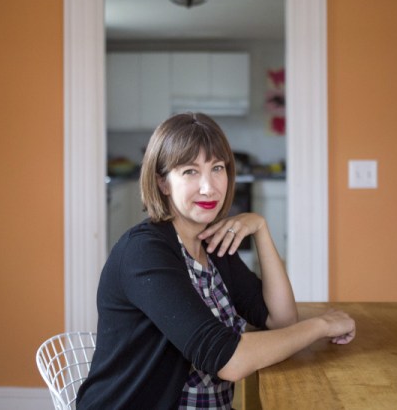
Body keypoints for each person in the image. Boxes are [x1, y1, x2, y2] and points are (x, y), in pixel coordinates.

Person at [76, 112, 355, 409]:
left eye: (217, 168)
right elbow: (228, 360)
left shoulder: (211, 243)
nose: (209, 187)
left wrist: (260, 228)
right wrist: (321, 325)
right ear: (163, 183)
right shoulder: (144, 251)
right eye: (190, 172)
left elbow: (281, 319)